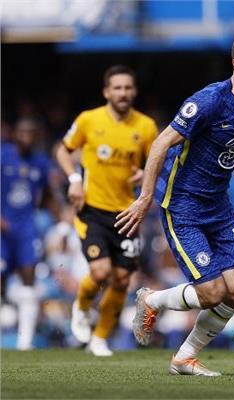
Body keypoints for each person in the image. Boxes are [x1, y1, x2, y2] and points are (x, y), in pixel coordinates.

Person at [115, 32, 234, 376]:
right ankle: (152, 300)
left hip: (219, 209)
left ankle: (184, 358)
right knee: (211, 293)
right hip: (183, 206)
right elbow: (160, 144)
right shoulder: (208, 101)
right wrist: (145, 198)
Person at [55, 65, 158, 356]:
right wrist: (74, 179)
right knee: (100, 272)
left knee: (123, 279)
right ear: (106, 92)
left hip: (127, 214)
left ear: (134, 92)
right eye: (117, 88)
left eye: (128, 88)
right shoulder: (89, 120)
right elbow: (62, 150)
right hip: (92, 209)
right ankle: (81, 305)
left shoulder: (146, 127)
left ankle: (99, 338)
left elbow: (156, 163)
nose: (123, 93)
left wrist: (145, 174)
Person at [1, 118, 53, 350]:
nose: (27, 137)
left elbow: (48, 192)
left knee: (29, 278)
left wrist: (58, 218)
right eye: (23, 133)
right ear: (15, 134)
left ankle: (25, 341)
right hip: (2, 228)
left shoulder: (40, 162)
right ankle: (7, 306)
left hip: (26, 228)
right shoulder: (3, 155)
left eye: (31, 133)